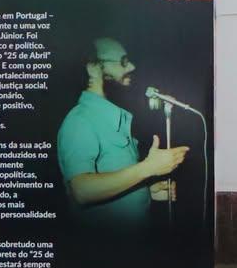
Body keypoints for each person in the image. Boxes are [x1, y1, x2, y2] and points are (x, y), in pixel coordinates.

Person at [56, 37, 187, 228]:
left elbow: (114, 176)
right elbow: (82, 191)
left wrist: (145, 192)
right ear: (93, 68)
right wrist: (148, 168)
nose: (132, 66)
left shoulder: (116, 118)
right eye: (123, 61)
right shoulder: (80, 120)